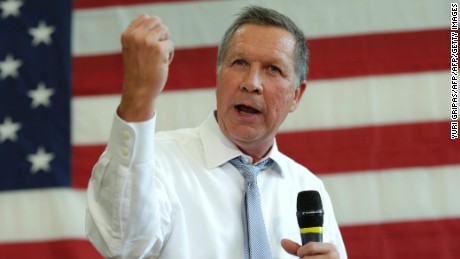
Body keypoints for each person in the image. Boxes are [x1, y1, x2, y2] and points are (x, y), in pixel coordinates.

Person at [86, 5, 347, 259]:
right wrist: (138, 96)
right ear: (218, 75)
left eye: (272, 69)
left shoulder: (308, 187)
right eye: (240, 62)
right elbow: (123, 243)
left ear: (296, 96)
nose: (251, 83)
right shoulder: (153, 161)